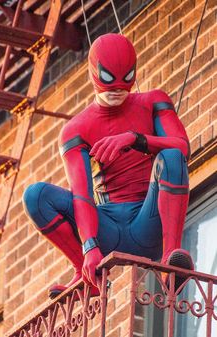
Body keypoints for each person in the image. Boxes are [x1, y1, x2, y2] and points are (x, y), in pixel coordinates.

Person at [23, 33, 194, 299]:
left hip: (149, 222)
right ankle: (85, 273)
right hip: (107, 230)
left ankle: (170, 261)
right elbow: (81, 193)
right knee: (35, 196)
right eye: (108, 82)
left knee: (171, 156)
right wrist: (90, 247)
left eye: (125, 81)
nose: (116, 90)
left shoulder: (152, 101)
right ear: (95, 74)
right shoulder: (76, 128)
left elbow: (182, 147)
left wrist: (136, 140)